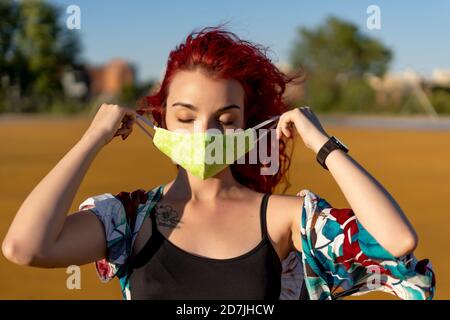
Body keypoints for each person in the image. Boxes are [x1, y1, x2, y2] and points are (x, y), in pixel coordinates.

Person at [1, 27, 435, 300]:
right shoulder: (127, 220)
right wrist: (92, 138)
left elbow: (396, 241)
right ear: (162, 120)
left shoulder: (283, 219)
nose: (204, 134)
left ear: (250, 127)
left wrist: (320, 142)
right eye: (186, 117)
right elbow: (23, 247)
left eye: (225, 120)